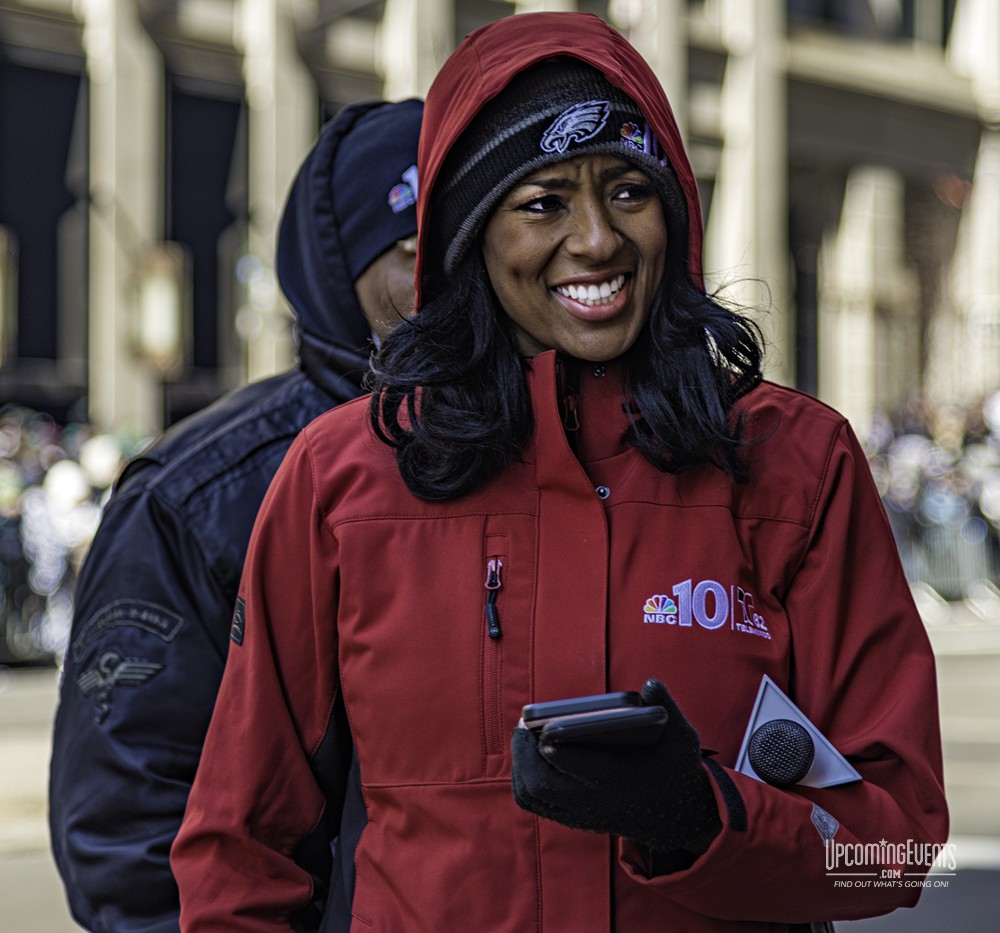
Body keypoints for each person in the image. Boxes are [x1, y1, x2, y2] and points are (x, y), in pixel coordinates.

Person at [171, 12, 948, 932]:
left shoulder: (796, 463)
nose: (596, 241)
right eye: (543, 203)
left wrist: (705, 819)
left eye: (629, 190)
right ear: (468, 235)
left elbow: (895, 853)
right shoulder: (343, 479)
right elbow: (237, 852)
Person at [48, 97, 423, 933]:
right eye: (408, 250)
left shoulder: (560, 460)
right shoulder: (201, 495)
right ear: (340, 271)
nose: (443, 277)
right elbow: (126, 833)